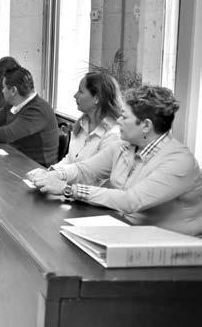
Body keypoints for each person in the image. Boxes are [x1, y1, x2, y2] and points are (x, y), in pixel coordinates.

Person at [29, 85, 202, 236]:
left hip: (171, 247)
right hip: (129, 231)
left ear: (146, 125)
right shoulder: (124, 146)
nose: (118, 121)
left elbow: (131, 200)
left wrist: (67, 189)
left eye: (124, 117)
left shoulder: (179, 161)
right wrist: (53, 175)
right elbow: (85, 170)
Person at [30, 71, 122, 177]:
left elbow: (94, 176)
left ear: (97, 98)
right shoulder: (82, 124)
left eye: (81, 91)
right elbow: (70, 160)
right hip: (65, 182)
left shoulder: (113, 135)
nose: (75, 95)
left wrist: (57, 176)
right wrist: (49, 172)